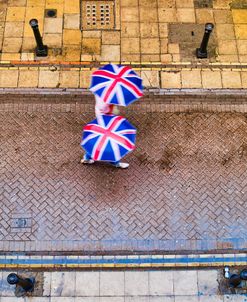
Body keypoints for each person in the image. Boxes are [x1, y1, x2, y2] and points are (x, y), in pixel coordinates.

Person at [81, 96, 129, 169]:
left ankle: (87, 157)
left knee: (101, 140)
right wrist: (112, 105)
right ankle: (114, 161)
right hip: (105, 120)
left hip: (103, 117)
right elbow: (105, 108)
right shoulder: (106, 98)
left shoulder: (101, 92)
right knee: (111, 140)